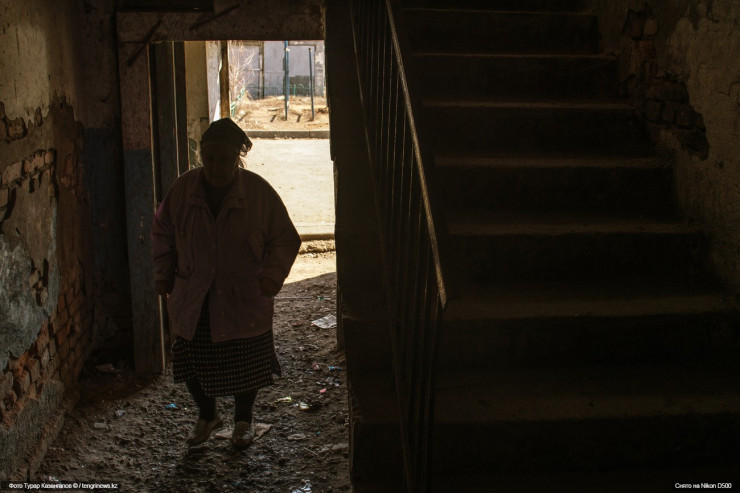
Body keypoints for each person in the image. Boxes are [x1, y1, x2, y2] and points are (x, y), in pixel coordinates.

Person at [151, 118, 300, 448]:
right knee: (191, 356)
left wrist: (272, 276)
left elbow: (285, 238)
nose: (216, 167)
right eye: (210, 159)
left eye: (225, 160)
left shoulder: (258, 192)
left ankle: (243, 420)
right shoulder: (183, 190)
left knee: (246, 359)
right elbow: (162, 232)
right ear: (201, 157)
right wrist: (163, 272)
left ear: (238, 159)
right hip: (193, 292)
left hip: (243, 293)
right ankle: (208, 415)